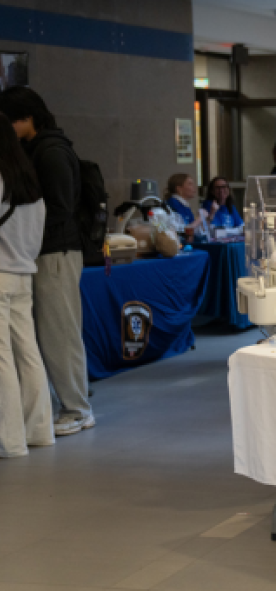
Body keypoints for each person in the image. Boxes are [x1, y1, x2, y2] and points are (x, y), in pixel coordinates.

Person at [0, 86, 93, 435]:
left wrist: (21, 234)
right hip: (43, 253)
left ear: (26, 119)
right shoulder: (36, 149)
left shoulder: (52, 152)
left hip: (57, 252)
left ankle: (77, 408)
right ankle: (68, 404)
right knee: (44, 334)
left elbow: (60, 208)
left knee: (60, 332)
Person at [0, 112, 53, 457]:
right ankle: (39, 431)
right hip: (23, 273)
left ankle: (11, 440)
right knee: (28, 353)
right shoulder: (31, 185)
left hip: (0, 272)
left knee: (2, 357)